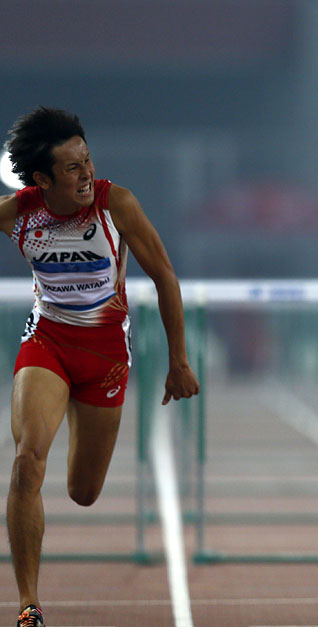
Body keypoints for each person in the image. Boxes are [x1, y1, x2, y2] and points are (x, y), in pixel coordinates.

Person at [2, 107, 200, 627]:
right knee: (27, 461)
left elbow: (165, 277)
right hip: (46, 344)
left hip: (104, 358)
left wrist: (178, 361)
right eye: (72, 168)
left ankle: (71, 410)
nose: (87, 173)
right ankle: (28, 606)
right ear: (42, 179)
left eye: (87, 160)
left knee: (83, 492)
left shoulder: (117, 205)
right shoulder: (17, 212)